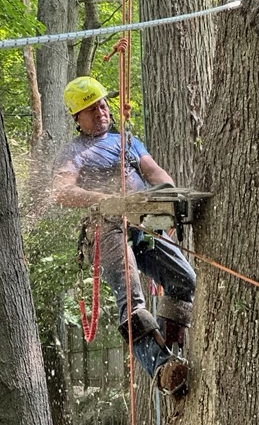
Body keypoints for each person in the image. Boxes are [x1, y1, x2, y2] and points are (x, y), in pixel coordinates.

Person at [52, 76, 196, 399]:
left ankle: (170, 344)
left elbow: (154, 171)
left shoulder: (127, 141)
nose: (101, 112)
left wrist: (167, 195)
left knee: (184, 278)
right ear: (77, 118)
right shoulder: (74, 151)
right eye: (91, 109)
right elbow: (61, 190)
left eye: (103, 104)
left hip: (142, 223)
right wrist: (101, 199)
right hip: (107, 226)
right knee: (131, 299)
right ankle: (162, 369)